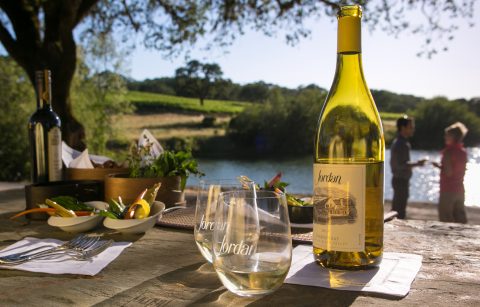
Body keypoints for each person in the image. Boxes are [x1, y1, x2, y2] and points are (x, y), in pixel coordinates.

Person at [390, 116, 426, 219]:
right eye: (411, 127)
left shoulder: (401, 142)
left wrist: (416, 163)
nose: (413, 129)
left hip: (400, 180)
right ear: (403, 128)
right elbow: (400, 165)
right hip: (400, 180)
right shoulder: (401, 144)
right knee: (399, 212)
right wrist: (417, 163)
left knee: (397, 209)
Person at [432, 122, 468, 223]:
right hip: (460, 190)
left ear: (453, 136)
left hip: (448, 190)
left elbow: (448, 172)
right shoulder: (463, 152)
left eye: (447, 135)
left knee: (445, 219)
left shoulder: (448, 152)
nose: (445, 137)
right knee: (460, 219)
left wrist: (438, 166)